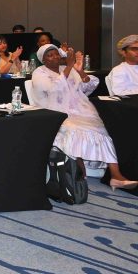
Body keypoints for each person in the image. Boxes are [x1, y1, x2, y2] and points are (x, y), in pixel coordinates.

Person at [31, 44, 136, 190]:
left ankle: (116, 175)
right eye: (50, 55)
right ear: (43, 60)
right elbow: (54, 90)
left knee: (103, 131)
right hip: (56, 112)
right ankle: (78, 173)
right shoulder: (39, 73)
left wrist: (80, 72)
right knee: (74, 130)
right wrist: (69, 66)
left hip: (81, 110)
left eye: (56, 54)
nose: (54, 57)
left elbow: (87, 88)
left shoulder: (66, 68)